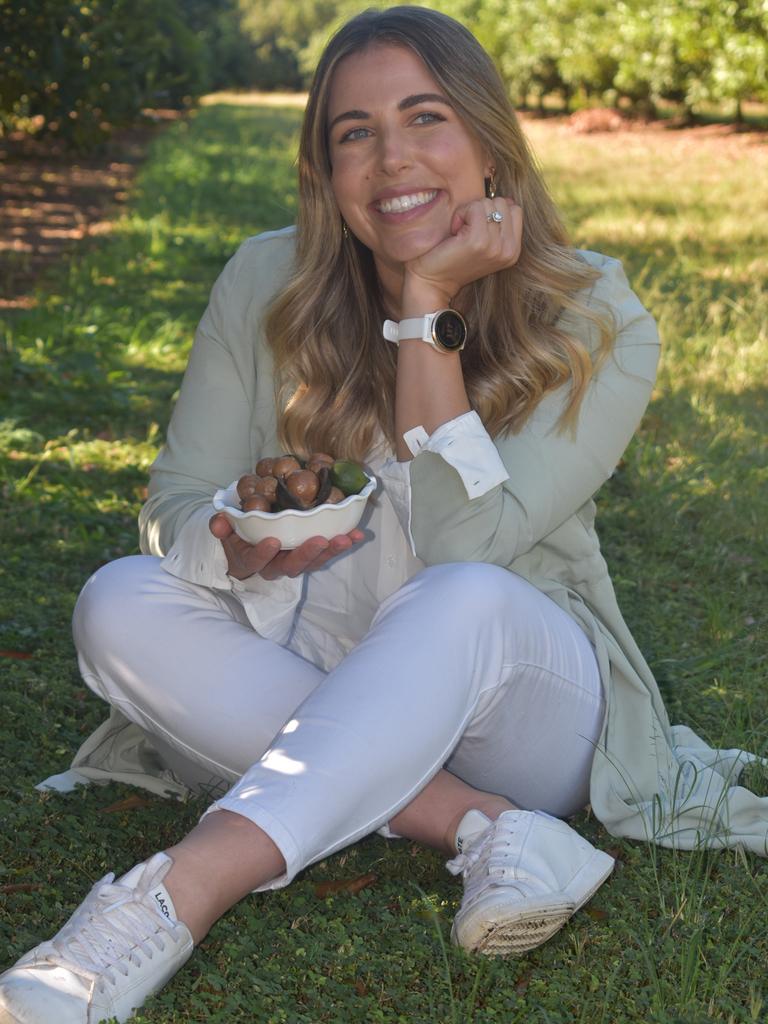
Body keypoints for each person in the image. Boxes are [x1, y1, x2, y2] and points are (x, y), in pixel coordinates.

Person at [2, 6, 766, 1024]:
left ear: (491, 141)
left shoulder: (598, 315)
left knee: (459, 597)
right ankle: (482, 829)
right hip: (305, 657)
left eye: (425, 118)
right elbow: (172, 509)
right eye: (354, 132)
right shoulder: (263, 279)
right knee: (115, 599)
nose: (391, 158)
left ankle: (171, 897)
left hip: (517, 693)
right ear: (326, 170)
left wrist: (428, 308)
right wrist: (237, 537)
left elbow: (466, 545)